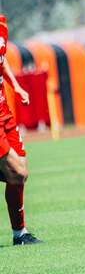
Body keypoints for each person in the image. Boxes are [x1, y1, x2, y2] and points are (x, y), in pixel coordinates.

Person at [0, 15, 42, 246]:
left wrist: (15, 86)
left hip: (4, 112)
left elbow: (2, 57)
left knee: (19, 174)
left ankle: (20, 234)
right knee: (17, 172)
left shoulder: (2, 23)